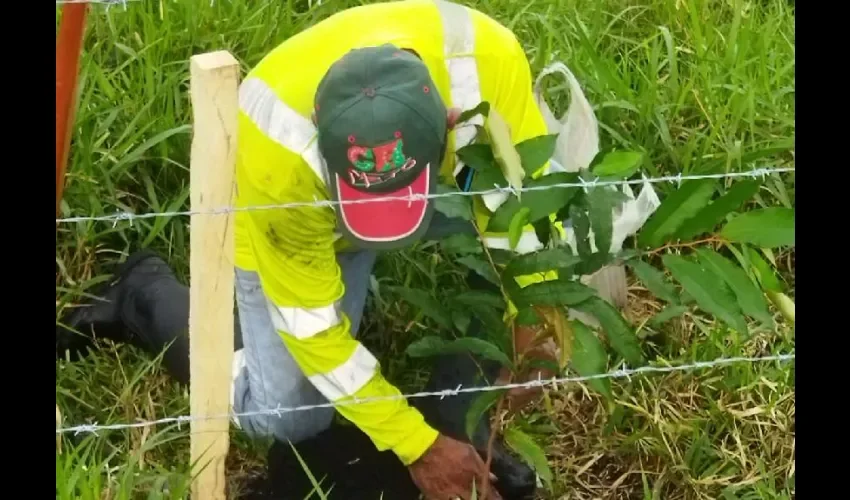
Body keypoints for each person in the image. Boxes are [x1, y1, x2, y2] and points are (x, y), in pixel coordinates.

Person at [57, 1, 563, 498]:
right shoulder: (280, 147)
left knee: (536, 248)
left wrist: (531, 326)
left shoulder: (485, 61)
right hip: (304, 215)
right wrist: (415, 447)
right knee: (287, 416)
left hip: (440, 188)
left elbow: (525, 211)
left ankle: (455, 419)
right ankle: (142, 292)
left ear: (449, 122)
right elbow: (315, 331)